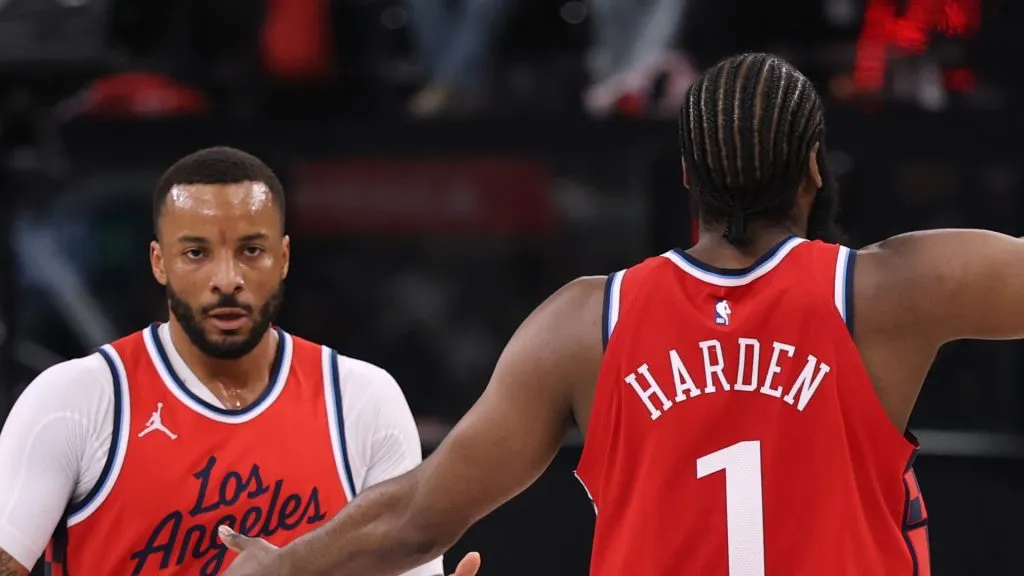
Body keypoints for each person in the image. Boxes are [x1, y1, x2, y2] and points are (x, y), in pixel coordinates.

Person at [221, 51, 1024, 575]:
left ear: (684, 176)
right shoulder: (886, 292)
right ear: (815, 170)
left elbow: (421, 514)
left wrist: (285, 565)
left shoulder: (586, 323)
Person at [0, 147, 456, 575]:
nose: (227, 279)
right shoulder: (75, 399)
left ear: (284, 258)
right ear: (160, 263)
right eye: (196, 253)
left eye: (250, 251)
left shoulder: (362, 401)